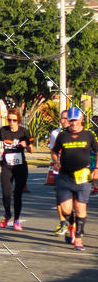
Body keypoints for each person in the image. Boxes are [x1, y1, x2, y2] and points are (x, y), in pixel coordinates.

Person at [51, 106, 98, 251]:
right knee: (66, 209)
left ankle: (78, 237)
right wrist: (56, 161)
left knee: (80, 207)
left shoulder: (89, 135)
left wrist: (96, 169)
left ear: (81, 119)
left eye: (75, 120)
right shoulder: (63, 135)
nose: (73, 123)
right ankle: (71, 224)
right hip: (65, 176)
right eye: (70, 121)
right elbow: (53, 150)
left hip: (83, 176)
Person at [0, 108, 33, 230]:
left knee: (17, 194)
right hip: (6, 166)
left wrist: (27, 145)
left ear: (18, 120)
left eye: (14, 120)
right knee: (6, 193)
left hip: (20, 167)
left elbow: (31, 150)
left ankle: (17, 220)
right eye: (9, 120)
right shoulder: (3, 131)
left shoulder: (24, 132)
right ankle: (7, 213)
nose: (11, 123)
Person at [49, 110, 70, 233]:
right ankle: (63, 223)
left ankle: (72, 223)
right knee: (59, 197)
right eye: (62, 118)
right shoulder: (55, 133)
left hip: (73, 170)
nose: (64, 121)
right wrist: (57, 162)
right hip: (59, 170)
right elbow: (53, 151)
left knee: (72, 199)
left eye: (66, 118)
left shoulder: (76, 133)